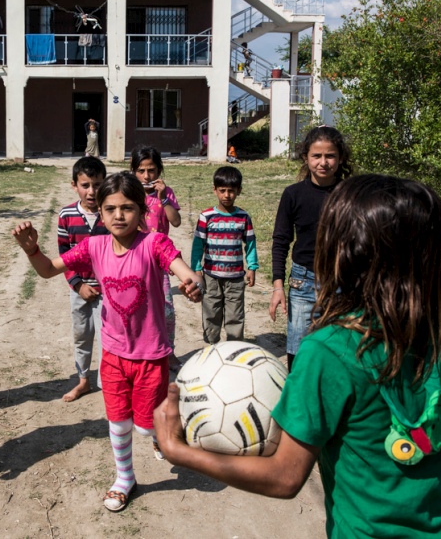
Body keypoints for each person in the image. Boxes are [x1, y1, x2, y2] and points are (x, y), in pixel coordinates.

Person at [156, 174, 441, 538]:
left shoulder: (329, 350)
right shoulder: (430, 331)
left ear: (345, 250)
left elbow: (285, 477)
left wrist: (178, 450)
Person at [13, 172, 204, 513]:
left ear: (142, 210)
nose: (119, 215)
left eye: (127, 208)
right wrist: (32, 250)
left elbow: (182, 269)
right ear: (100, 213)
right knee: (118, 422)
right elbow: (47, 270)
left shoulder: (154, 243)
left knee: (145, 428)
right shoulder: (93, 245)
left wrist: (191, 281)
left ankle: (167, 420)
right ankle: (124, 478)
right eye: (110, 208)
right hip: (113, 354)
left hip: (151, 356)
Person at [269, 126, 352, 370]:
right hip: (303, 283)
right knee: (299, 349)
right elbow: (281, 240)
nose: (323, 162)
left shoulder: (350, 193)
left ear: (340, 158)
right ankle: (299, 401)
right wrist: (277, 286)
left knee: (340, 351)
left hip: (343, 282)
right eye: (317, 156)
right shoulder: (293, 194)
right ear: (305, 157)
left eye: (330, 156)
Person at [57, 156, 109, 402]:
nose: (91, 191)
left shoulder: (110, 213)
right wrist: (77, 285)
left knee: (108, 337)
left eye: (97, 185)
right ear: (74, 185)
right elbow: (64, 255)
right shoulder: (67, 215)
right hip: (79, 290)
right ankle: (84, 381)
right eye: (85, 185)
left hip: (108, 291)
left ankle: (108, 383)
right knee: (82, 335)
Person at [190, 166, 258, 343]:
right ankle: (212, 347)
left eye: (231, 191)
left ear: (239, 191)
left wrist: (252, 267)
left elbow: (250, 243)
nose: (227, 195)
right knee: (211, 312)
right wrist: (197, 269)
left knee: (235, 314)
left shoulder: (243, 217)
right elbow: (198, 244)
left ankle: (234, 347)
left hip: (236, 277)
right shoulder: (207, 216)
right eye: (222, 191)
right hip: (211, 276)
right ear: (215, 190)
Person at [131, 146, 183, 371]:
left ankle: (168, 351)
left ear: (159, 170)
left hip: (160, 262)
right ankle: (140, 353)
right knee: (136, 309)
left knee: (166, 310)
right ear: (133, 172)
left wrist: (164, 200)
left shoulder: (167, 193)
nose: (146, 176)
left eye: (151, 170)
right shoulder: (129, 193)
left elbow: (177, 221)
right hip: (133, 261)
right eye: (141, 170)